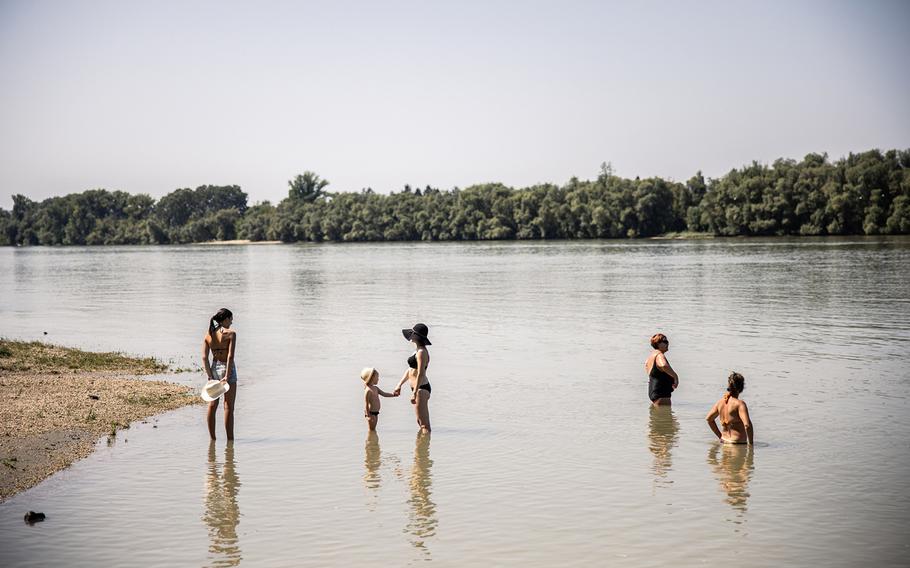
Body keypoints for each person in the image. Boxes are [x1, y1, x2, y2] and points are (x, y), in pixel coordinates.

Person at [203, 308, 238, 440]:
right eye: (231, 319)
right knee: (228, 407)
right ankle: (230, 441)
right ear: (225, 319)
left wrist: (210, 375)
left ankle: (212, 439)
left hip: (214, 368)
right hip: (227, 369)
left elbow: (204, 357)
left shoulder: (209, 335)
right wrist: (227, 376)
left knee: (212, 405)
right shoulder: (231, 334)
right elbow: (230, 357)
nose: (232, 322)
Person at [394, 323, 433, 432]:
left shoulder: (421, 352)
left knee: (424, 425)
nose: (410, 337)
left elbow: (421, 373)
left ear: (417, 337)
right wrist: (399, 385)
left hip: (421, 389)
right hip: (417, 388)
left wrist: (415, 392)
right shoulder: (416, 351)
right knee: (419, 421)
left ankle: (424, 446)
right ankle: (421, 447)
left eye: (412, 334)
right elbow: (410, 370)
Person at [706, 371, 754, 445]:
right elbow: (747, 425)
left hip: (725, 442)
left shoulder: (721, 402)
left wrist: (720, 436)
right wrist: (751, 445)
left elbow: (709, 419)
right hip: (737, 444)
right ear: (741, 387)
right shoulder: (740, 404)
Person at [644, 333, 678, 406]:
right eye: (665, 342)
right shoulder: (659, 355)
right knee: (666, 417)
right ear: (658, 344)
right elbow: (663, 365)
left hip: (654, 392)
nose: (667, 343)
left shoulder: (650, 357)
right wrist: (675, 376)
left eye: (667, 341)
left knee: (657, 416)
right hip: (662, 394)